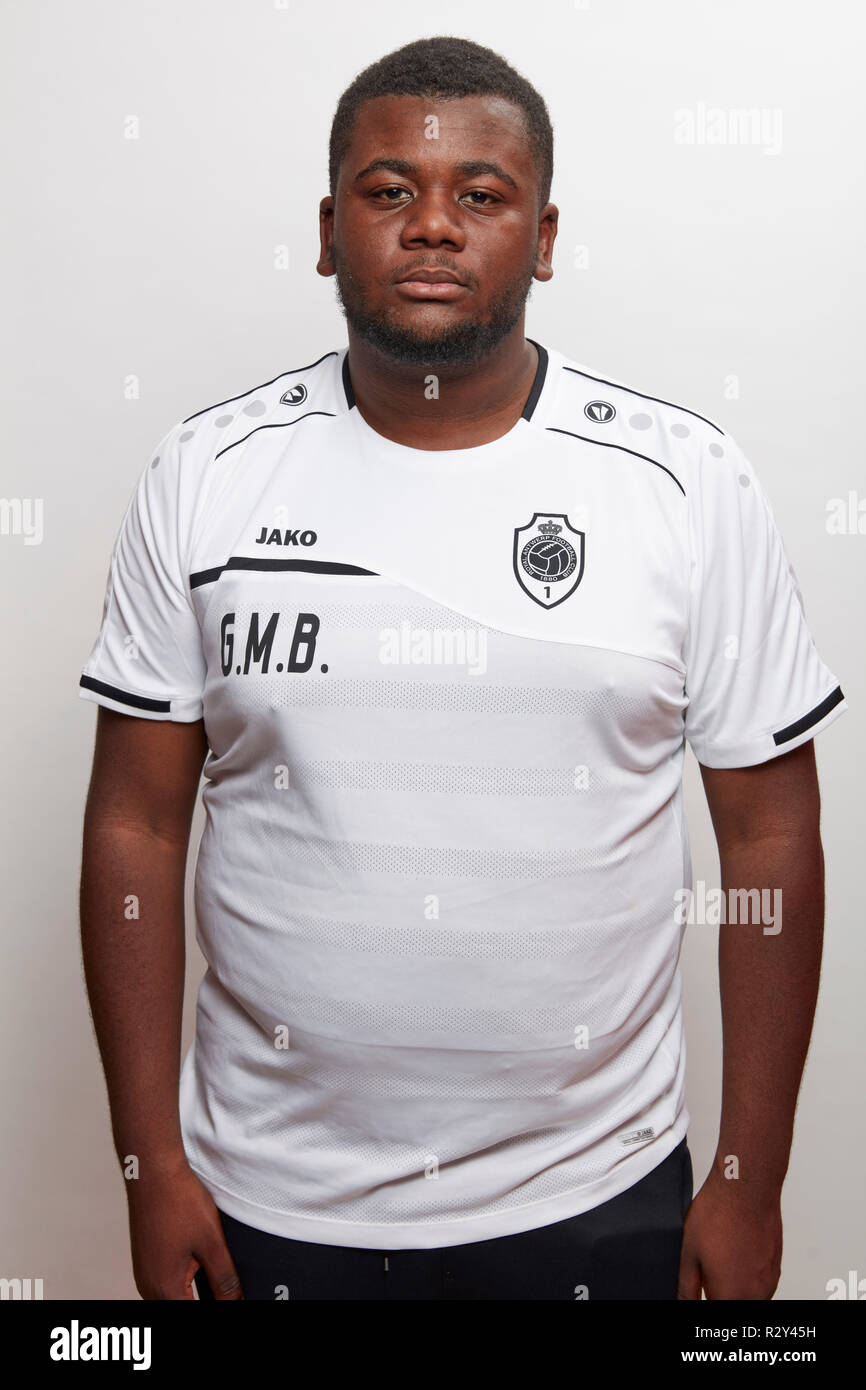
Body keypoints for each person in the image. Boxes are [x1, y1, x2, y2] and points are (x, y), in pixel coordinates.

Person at [78, 36, 847, 1302]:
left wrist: (747, 1175)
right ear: (329, 231)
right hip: (265, 1197)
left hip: (596, 1193)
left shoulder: (683, 482)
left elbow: (767, 837)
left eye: (478, 196)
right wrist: (146, 1162)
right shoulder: (206, 475)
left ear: (540, 237)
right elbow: (137, 823)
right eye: (389, 192)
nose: (431, 226)